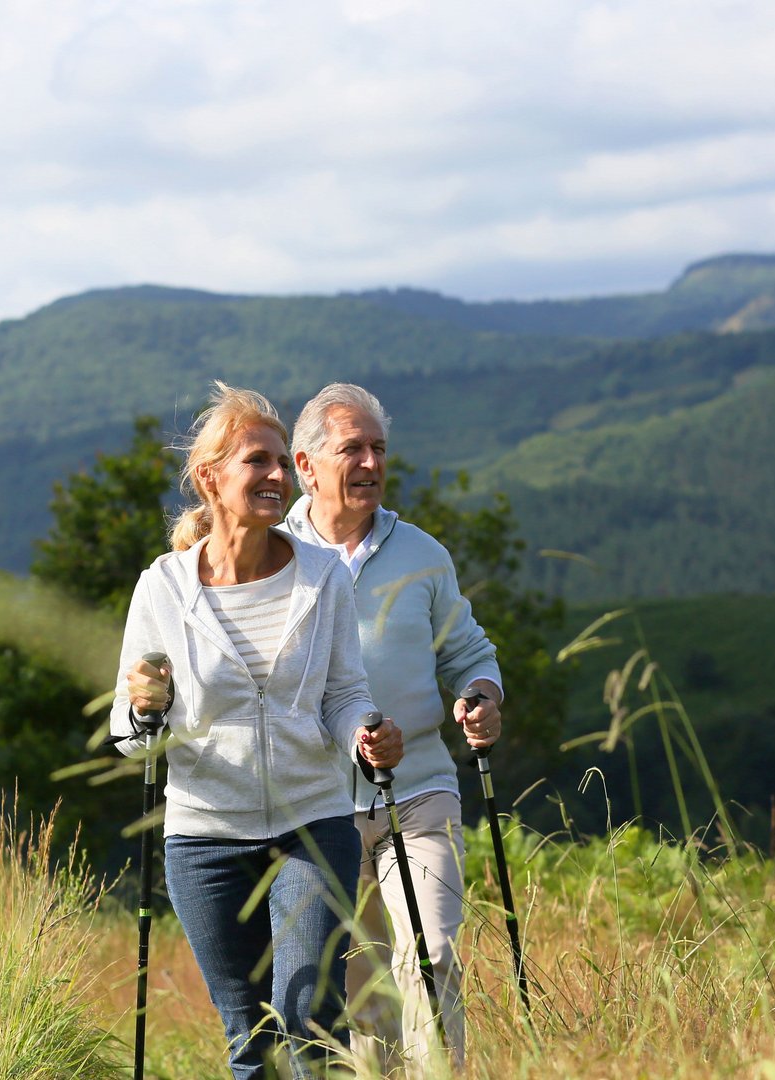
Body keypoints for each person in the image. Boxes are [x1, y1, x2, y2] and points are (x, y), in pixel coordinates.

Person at [112, 381, 404, 1080]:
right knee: (251, 1038)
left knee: (307, 1020)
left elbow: (344, 694)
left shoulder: (322, 576)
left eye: (281, 461)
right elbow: (129, 732)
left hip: (312, 822)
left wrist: (366, 731)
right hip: (204, 837)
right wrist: (144, 707)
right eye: (258, 462)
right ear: (211, 478)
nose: (277, 477)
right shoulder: (163, 587)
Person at [285, 382, 504, 1075]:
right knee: (365, 997)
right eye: (353, 448)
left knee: (431, 957)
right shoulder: (269, 557)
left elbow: (469, 653)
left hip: (417, 796)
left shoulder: (422, 554)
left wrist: (479, 694)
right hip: (317, 809)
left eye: (379, 449)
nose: (372, 463)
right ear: (306, 464)